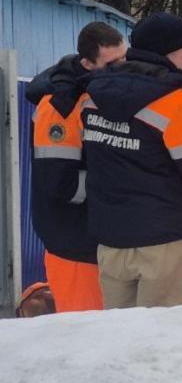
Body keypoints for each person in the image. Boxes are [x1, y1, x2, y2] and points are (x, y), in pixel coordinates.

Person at [80, 12, 182, 308]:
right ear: (169, 50)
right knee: (165, 341)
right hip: (162, 241)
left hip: (110, 242)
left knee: (121, 340)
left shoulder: (94, 96)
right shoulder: (178, 100)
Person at [25, 21, 127, 312]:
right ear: (86, 63)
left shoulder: (92, 93)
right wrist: (114, 185)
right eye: (111, 63)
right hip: (71, 245)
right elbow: (59, 183)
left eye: (124, 58)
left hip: (92, 241)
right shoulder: (61, 106)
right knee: (87, 338)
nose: (121, 67)